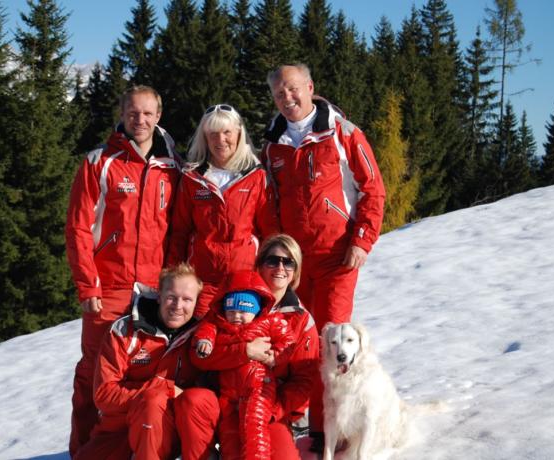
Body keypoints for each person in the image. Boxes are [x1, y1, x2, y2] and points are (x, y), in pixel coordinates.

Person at [261, 64, 386, 452]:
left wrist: (362, 241)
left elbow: (373, 190)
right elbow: (270, 203)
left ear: (311, 88)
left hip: (336, 258)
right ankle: (300, 420)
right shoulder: (273, 143)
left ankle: (323, 429)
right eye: (280, 93)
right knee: (298, 342)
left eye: (294, 89)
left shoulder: (343, 133)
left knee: (330, 342)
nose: (288, 98)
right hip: (294, 266)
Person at [65, 85, 182, 456]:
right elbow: (78, 228)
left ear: (158, 115)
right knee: (93, 374)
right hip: (109, 287)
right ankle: (83, 449)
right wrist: (88, 286)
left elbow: (179, 227)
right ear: (122, 113)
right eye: (133, 113)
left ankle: (133, 445)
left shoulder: (172, 165)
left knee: (146, 372)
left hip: (153, 288)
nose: (140, 120)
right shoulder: (100, 161)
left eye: (147, 113)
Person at [191, 233, 318, 459]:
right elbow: (199, 355)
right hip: (224, 399)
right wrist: (244, 352)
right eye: (273, 260)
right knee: (193, 404)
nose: (280, 267)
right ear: (259, 265)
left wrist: (273, 409)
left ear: (296, 271)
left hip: (267, 404)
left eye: (288, 262)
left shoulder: (301, 320)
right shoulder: (232, 302)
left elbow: (304, 380)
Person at [75, 263, 220, 460]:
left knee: (170, 401)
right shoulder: (125, 330)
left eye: (187, 299)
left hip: (177, 430)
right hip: (121, 429)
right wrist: (164, 388)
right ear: (159, 296)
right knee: (152, 401)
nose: (178, 306)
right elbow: (104, 394)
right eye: (171, 297)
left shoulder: (201, 337)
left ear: (196, 302)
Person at [167, 104, 279, 318]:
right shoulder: (192, 178)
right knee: (201, 339)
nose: (220, 140)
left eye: (227, 132)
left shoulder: (255, 176)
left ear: (238, 132)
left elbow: (270, 233)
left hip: (244, 279)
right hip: (202, 280)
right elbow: (180, 232)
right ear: (204, 137)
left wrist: (269, 276)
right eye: (213, 134)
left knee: (239, 342)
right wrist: (174, 276)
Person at [193, 270, 296, 460]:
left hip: (258, 388)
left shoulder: (268, 322)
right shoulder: (218, 323)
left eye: (243, 311)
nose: (236, 317)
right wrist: (205, 341)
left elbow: (289, 341)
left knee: (254, 430)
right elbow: (205, 329)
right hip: (228, 394)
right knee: (229, 435)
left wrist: (275, 356)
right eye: (231, 311)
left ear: (255, 309)